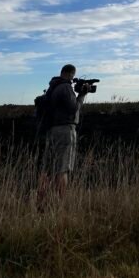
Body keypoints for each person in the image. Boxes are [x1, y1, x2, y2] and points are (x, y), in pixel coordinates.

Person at [36, 64, 89, 209]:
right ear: (70, 73)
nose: (73, 79)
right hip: (65, 131)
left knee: (48, 169)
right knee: (62, 169)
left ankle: (41, 203)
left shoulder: (53, 87)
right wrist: (82, 95)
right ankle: (61, 206)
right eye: (73, 76)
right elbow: (74, 109)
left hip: (52, 130)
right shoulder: (65, 87)